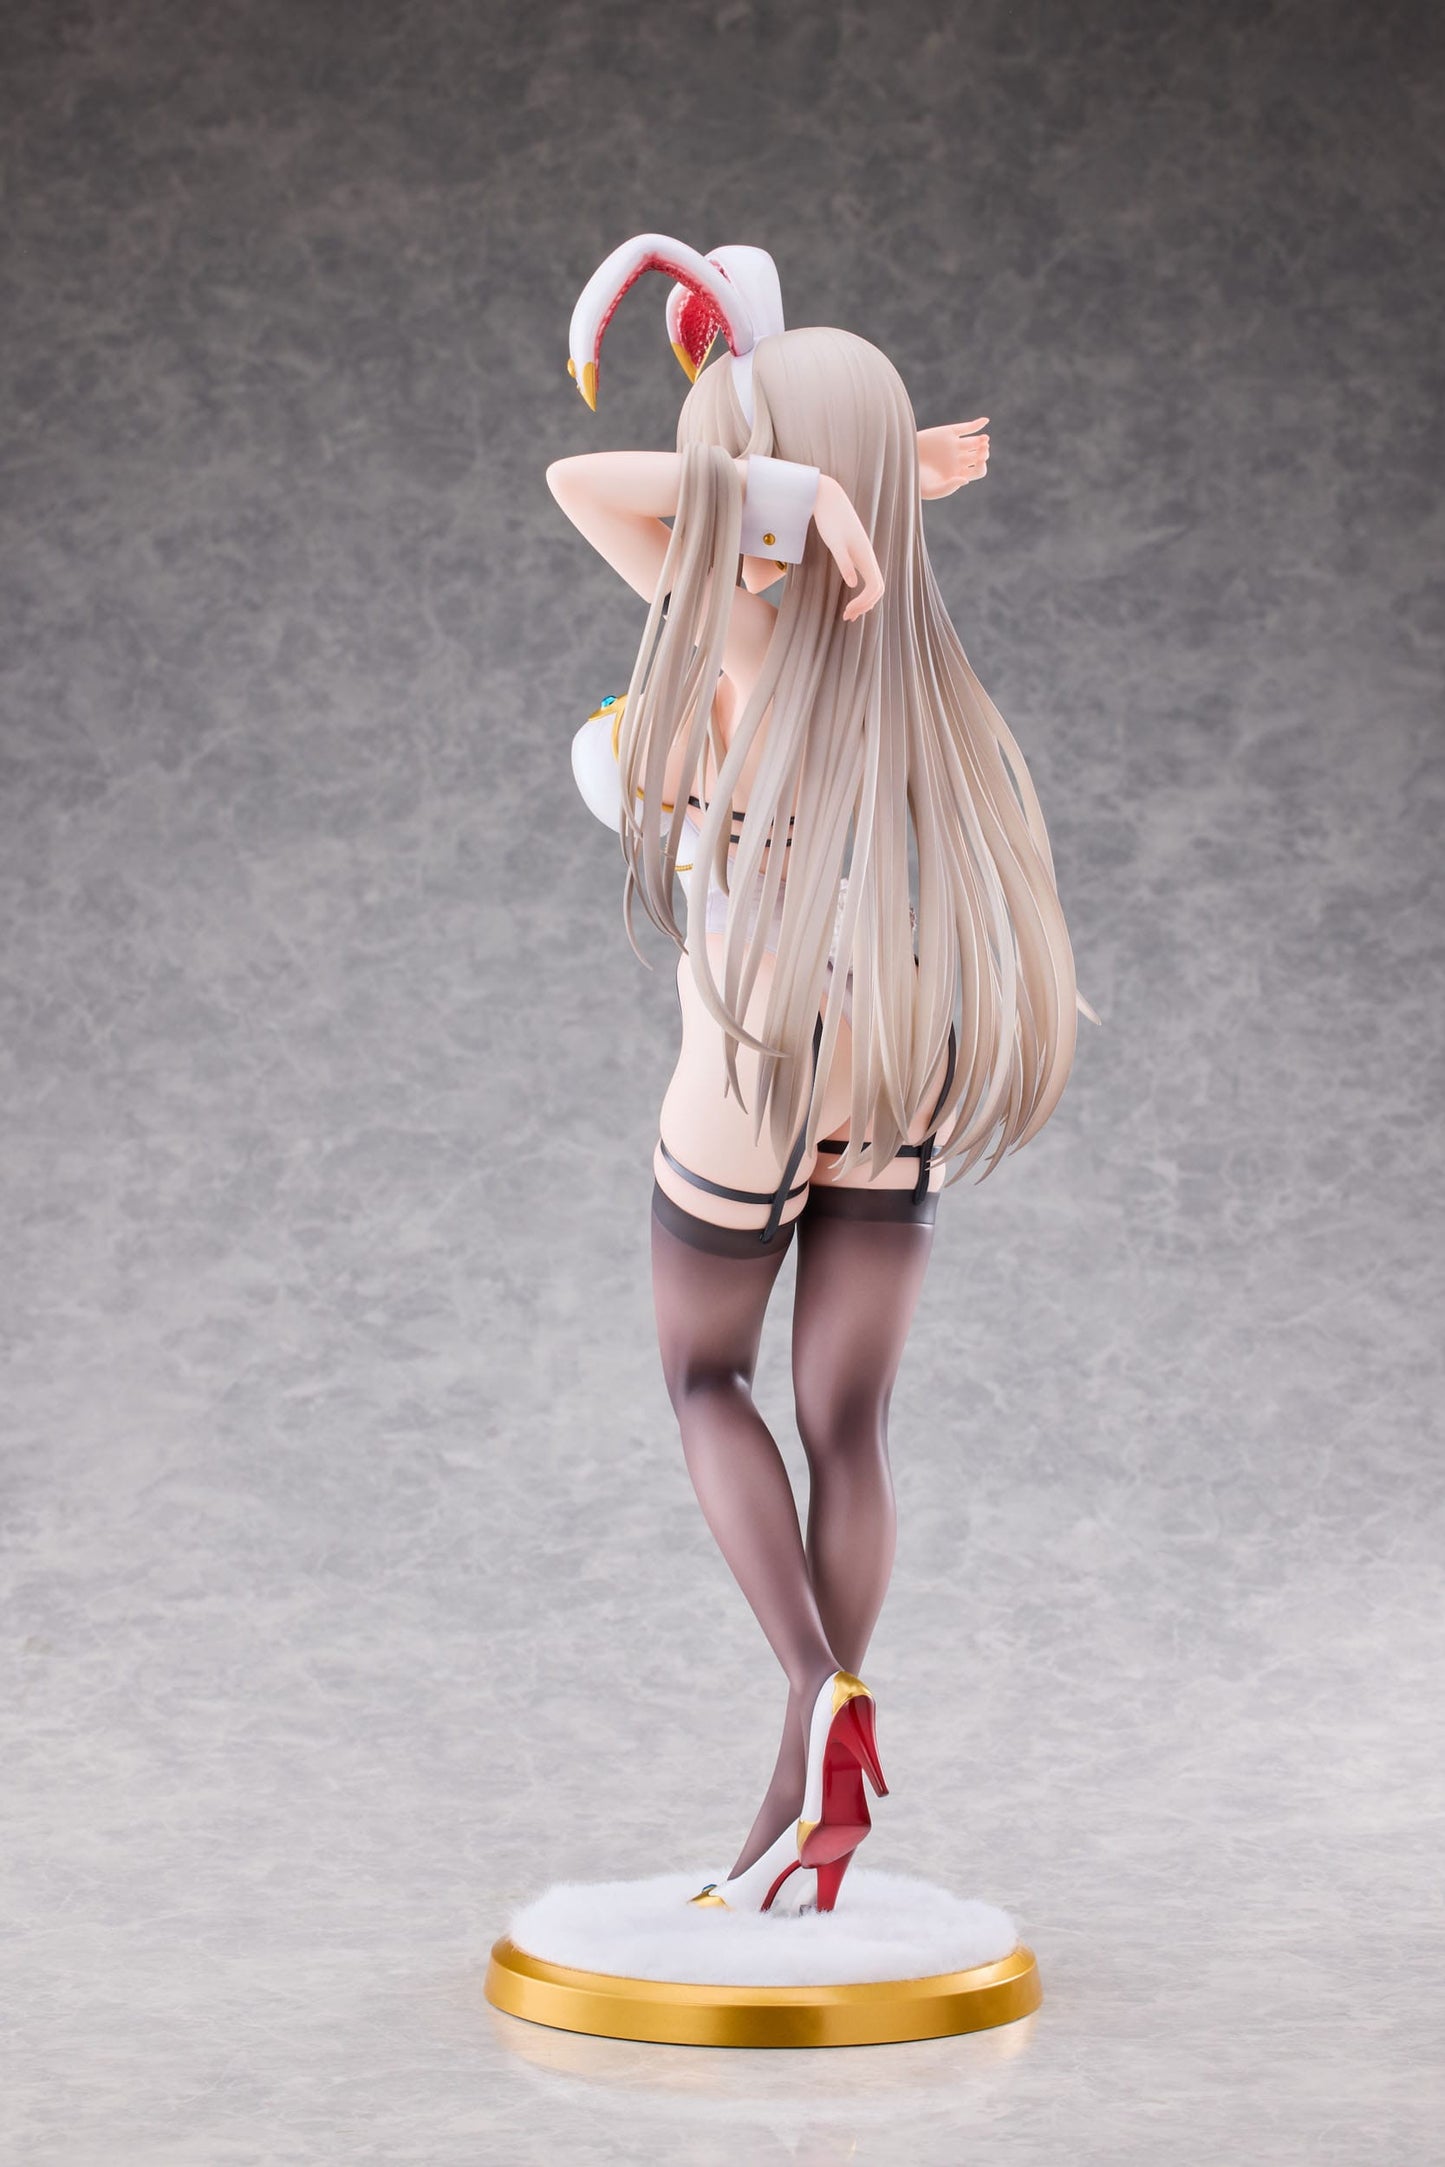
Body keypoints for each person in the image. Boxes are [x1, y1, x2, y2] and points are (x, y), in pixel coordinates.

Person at [546, 235, 1091, 1916]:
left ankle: (808, 1685)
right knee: (849, 1423)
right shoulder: (897, 655)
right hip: (897, 1039)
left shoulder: (729, 617)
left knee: (705, 1380)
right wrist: (860, 482)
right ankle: (814, 1779)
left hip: (753, 1042)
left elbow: (579, 479)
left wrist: (788, 487)